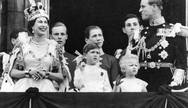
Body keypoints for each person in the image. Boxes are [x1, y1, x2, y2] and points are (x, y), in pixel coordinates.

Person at [10, 2, 68, 92]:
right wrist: (28, 73)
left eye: (45, 22)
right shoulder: (23, 45)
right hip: (24, 89)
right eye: (40, 22)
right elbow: (13, 72)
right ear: (32, 26)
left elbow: (60, 76)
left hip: (46, 89)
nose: (44, 25)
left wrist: (46, 74)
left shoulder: (53, 46)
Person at [137, 0, 187, 92]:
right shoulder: (140, 33)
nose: (140, 10)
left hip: (164, 87)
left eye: (143, 6)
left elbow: (181, 64)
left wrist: (173, 84)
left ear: (155, 7)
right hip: (142, 87)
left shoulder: (174, 31)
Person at [51, 22, 76, 90]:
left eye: (62, 34)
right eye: (56, 34)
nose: (59, 37)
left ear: (66, 37)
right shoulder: (46, 57)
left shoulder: (74, 60)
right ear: (51, 36)